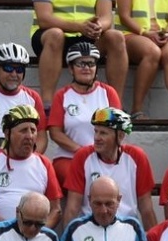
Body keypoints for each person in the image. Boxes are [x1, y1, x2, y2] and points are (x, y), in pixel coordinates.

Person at [45, 40, 122, 189]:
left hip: (104, 157)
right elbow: (55, 132)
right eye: (80, 64)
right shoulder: (62, 95)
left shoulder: (108, 93)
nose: (86, 68)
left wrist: (100, 152)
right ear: (71, 68)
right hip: (69, 157)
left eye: (91, 63)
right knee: (84, 181)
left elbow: (118, 129)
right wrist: (81, 151)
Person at [65, 105, 154, 226]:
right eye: (95, 131)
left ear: (120, 136)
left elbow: (146, 209)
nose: (96, 138)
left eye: (103, 133)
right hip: (90, 227)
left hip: (126, 228)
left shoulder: (137, 157)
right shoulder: (82, 156)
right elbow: (72, 208)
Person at [0, 105, 61, 227]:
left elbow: (55, 210)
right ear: (7, 133)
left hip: (35, 233)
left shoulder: (44, 163)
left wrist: (39, 231)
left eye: (33, 130)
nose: (29, 136)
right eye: (23, 130)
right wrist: (12, 229)